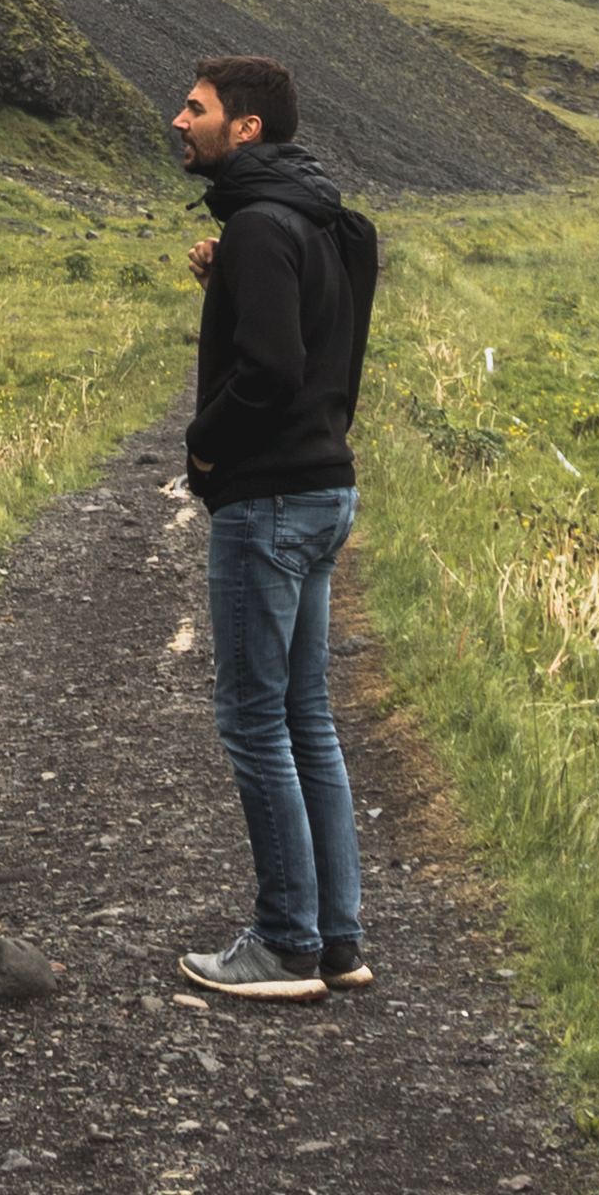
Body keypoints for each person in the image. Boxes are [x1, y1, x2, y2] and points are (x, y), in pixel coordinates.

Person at [170, 52, 379, 1003]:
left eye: (196, 107)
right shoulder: (322, 220)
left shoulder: (261, 226)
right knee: (306, 717)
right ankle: (337, 940)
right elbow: (321, 343)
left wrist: (203, 449)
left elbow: (268, 370)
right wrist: (232, 268)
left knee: (254, 719)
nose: (179, 119)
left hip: (267, 501)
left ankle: (286, 942)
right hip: (325, 485)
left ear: (243, 127)